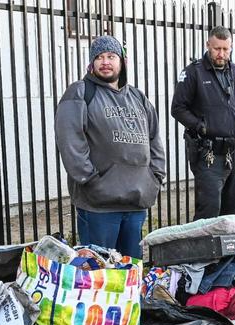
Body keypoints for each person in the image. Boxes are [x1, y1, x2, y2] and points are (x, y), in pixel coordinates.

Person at [55, 35, 165, 258]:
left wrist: (156, 176)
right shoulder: (80, 92)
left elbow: (154, 139)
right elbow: (70, 140)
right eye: (99, 57)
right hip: (99, 204)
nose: (105, 62)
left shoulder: (138, 97)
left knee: (132, 269)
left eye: (111, 56)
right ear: (91, 64)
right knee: (100, 270)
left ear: (122, 62)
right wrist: (89, 179)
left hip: (136, 200)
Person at [171, 26, 235, 220]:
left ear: (231, 47)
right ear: (208, 45)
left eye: (226, 49)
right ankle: (205, 251)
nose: (221, 54)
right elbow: (178, 108)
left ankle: (233, 252)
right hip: (209, 154)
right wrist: (201, 126)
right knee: (209, 211)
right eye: (217, 48)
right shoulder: (194, 73)